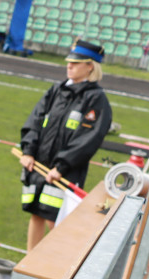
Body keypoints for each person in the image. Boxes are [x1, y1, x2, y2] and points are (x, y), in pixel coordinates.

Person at [19, 39, 111, 250]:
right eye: (69, 61)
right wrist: (28, 151)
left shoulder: (96, 99)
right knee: (36, 213)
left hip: (65, 172)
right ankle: (29, 262)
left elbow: (88, 139)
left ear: (90, 66)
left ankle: (58, 268)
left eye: (76, 63)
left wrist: (61, 167)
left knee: (58, 222)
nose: (69, 65)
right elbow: (35, 120)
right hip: (39, 165)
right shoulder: (56, 90)